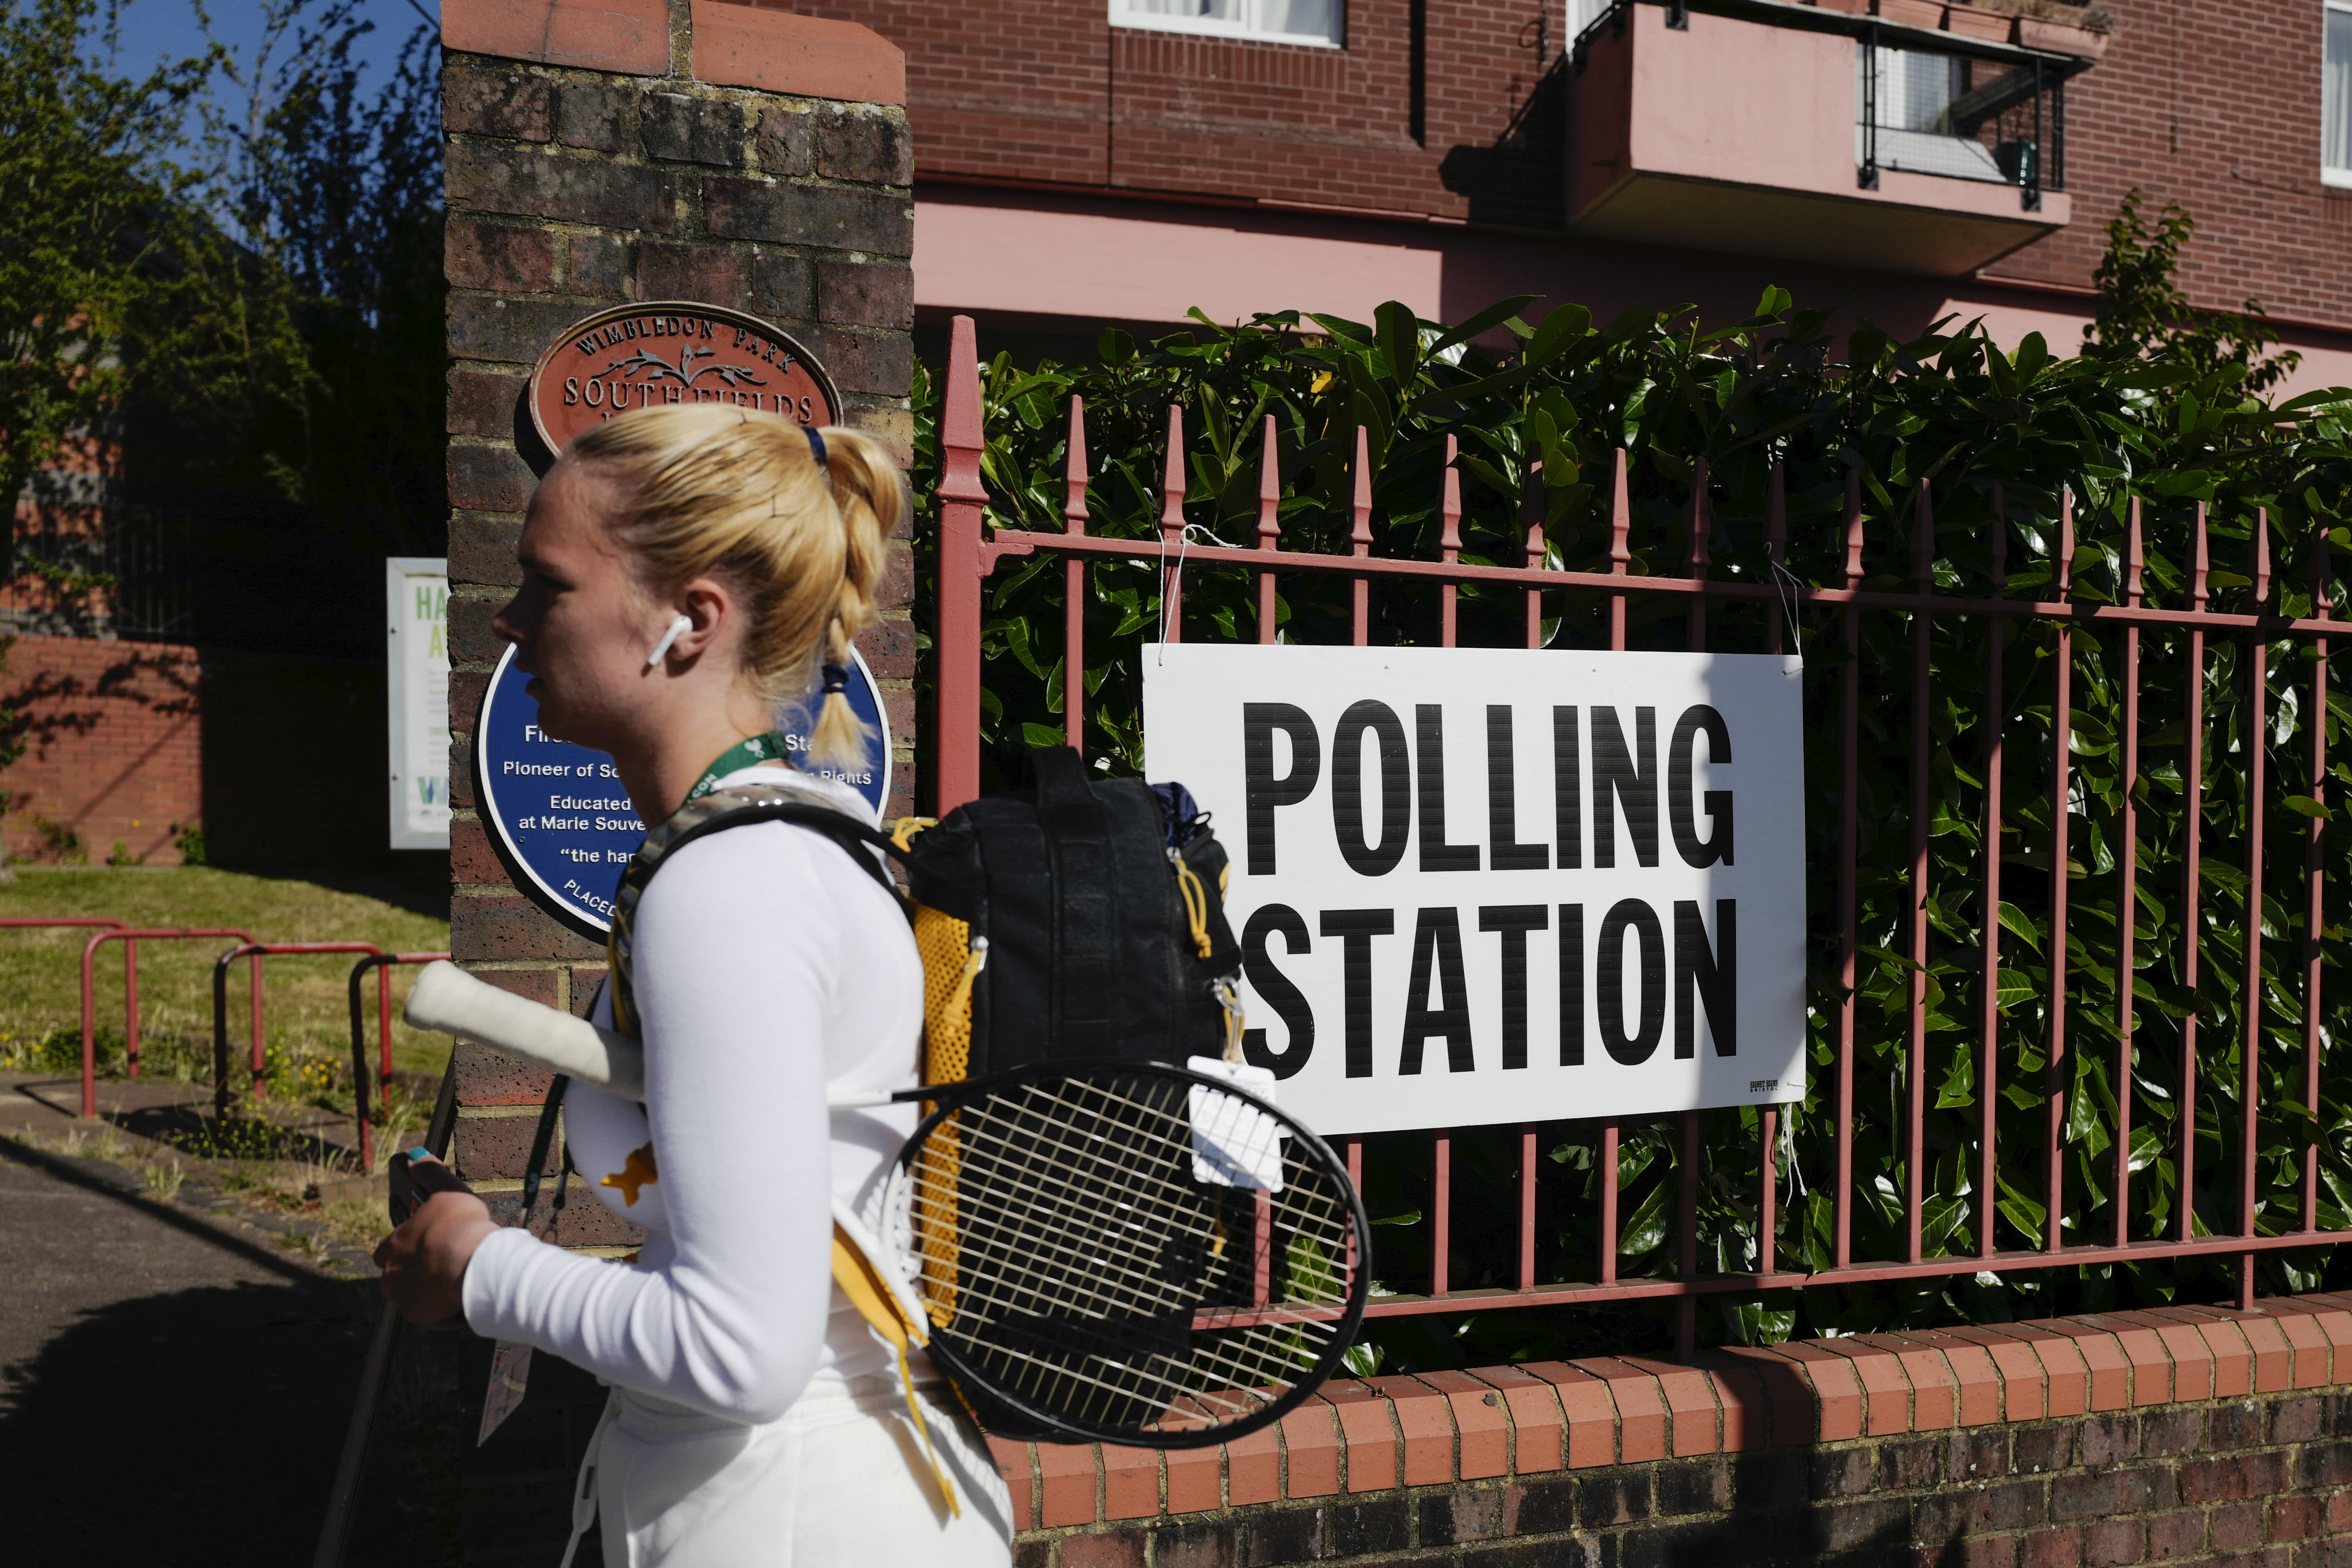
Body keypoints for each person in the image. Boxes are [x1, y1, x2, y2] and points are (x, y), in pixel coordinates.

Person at [373, 405, 1014, 1567]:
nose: (509, 621)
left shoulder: (727, 886)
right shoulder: (795, 838)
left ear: (688, 621)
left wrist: (475, 1264)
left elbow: (740, 1352)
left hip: (797, 1516)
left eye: (547, 584)